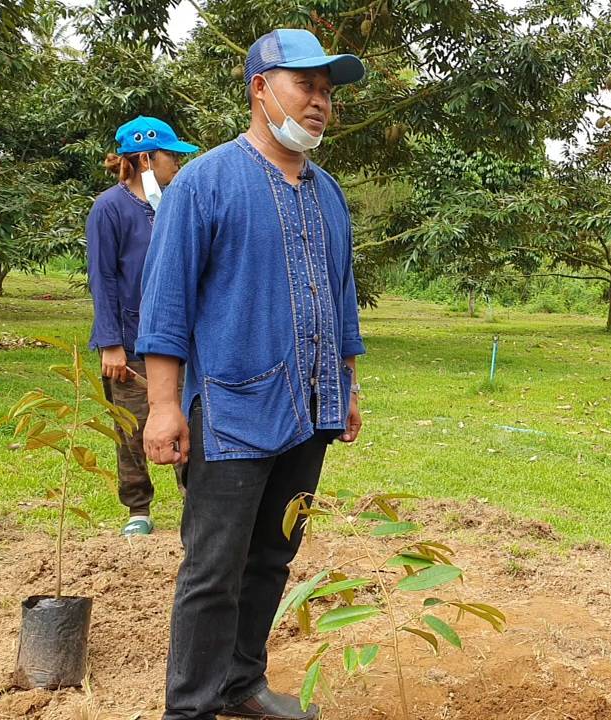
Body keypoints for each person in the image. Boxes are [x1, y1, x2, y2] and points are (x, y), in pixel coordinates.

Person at [137, 28, 365, 720]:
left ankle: (241, 683)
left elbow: (342, 296)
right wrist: (164, 406)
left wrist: (349, 388)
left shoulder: (328, 194)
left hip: (310, 412)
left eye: (328, 91)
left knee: (272, 557)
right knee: (212, 571)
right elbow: (166, 305)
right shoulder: (205, 183)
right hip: (232, 415)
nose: (321, 102)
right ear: (261, 88)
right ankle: (192, 707)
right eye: (307, 85)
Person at [86, 116, 198, 536]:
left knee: (187, 420)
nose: (178, 166)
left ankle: (194, 499)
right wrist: (110, 344)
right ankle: (138, 507)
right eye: (173, 157)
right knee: (131, 426)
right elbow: (104, 278)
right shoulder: (109, 208)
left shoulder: (174, 205)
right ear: (147, 160)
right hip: (130, 342)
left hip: (178, 339)